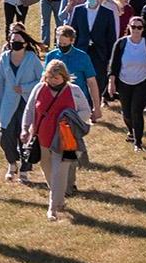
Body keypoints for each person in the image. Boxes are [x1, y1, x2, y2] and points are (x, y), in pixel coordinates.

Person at [21, 60, 93, 222]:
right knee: (47, 170)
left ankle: (52, 208)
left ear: (64, 77)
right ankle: (58, 199)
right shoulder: (39, 88)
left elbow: (86, 111)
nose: (53, 80)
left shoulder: (74, 91)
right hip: (43, 139)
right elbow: (30, 109)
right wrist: (25, 129)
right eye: (50, 77)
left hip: (66, 139)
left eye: (57, 78)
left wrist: (70, 118)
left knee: (59, 174)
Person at [0, 26, 44, 185]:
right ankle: (12, 163)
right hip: (8, 104)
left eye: (19, 42)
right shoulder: (4, 58)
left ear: (26, 44)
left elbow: (41, 80)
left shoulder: (32, 58)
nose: (15, 44)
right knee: (5, 136)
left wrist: (25, 88)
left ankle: (24, 170)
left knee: (25, 137)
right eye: (13, 41)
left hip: (26, 103)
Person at [109, 17, 146, 150]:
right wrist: (111, 82)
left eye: (139, 27)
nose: (136, 29)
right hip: (124, 82)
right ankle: (131, 131)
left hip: (144, 82)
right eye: (133, 26)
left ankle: (138, 142)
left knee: (136, 111)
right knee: (127, 113)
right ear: (129, 27)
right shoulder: (121, 43)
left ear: (143, 29)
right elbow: (113, 65)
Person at [68, 0, 118, 97]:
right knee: (80, 78)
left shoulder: (107, 13)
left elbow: (111, 37)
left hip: (99, 53)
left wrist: (111, 57)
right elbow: (72, 32)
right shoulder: (79, 10)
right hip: (82, 50)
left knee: (98, 79)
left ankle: (96, 100)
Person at [43, 25, 102, 120]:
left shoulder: (82, 57)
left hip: (77, 101)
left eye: (65, 44)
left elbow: (92, 82)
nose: (62, 46)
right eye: (60, 44)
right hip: (55, 100)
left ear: (72, 41)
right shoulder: (51, 56)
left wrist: (97, 107)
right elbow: (44, 79)